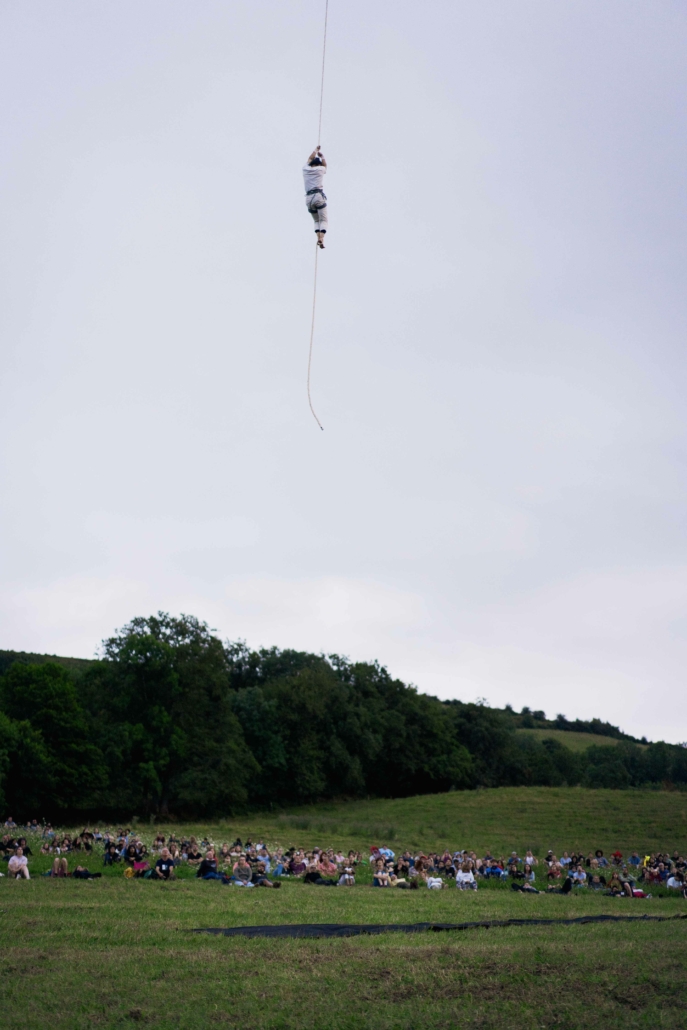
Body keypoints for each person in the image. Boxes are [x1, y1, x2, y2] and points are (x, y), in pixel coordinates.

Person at [303, 146, 328, 249]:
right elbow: (325, 166)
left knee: (316, 221)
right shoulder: (321, 169)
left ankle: (318, 237)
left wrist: (315, 151)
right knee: (323, 220)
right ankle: (321, 238)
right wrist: (323, 157)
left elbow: (309, 159)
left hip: (308, 199)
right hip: (318, 196)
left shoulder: (305, 169)